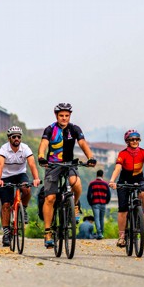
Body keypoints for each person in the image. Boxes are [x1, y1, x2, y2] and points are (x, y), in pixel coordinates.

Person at [37, 102, 96, 248]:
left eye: (67, 116)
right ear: (56, 116)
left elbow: (82, 143)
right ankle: (48, 232)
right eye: (61, 116)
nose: (64, 118)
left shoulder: (75, 129)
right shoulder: (50, 129)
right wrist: (40, 156)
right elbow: (44, 143)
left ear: (70, 116)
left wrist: (90, 157)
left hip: (69, 163)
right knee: (50, 198)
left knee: (75, 182)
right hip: (53, 164)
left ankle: (75, 205)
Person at [109, 129, 144, 247]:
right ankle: (122, 237)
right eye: (132, 139)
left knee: (143, 193)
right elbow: (117, 167)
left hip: (139, 178)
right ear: (127, 141)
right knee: (123, 209)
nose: (134, 141)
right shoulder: (123, 154)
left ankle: (142, 214)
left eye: (137, 139)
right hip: (124, 180)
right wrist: (112, 180)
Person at [0, 126, 41, 247]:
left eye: (19, 137)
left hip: (20, 175)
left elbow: (32, 164)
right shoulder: (3, 149)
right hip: (5, 177)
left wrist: (36, 178)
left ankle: (23, 208)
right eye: (14, 137)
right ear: (9, 138)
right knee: (6, 205)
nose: (16, 139)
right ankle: (6, 233)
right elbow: (0, 165)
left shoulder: (25, 148)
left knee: (26, 188)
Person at [87, 169, 111, 240]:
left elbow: (89, 195)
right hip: (103, 203)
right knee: (101, 219)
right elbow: (108, 195)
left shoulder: (92, 183)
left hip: (95, 203)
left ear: (96, 175)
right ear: (102, 175)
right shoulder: (105, 184)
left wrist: (90, 203)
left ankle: (99, 233)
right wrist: (106, 201)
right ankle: (102, 233)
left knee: (96, 218)